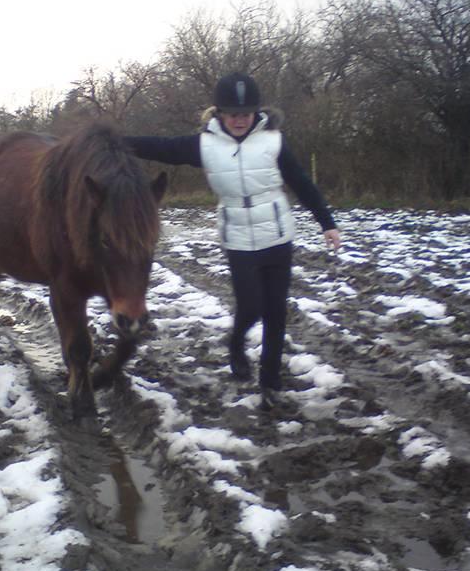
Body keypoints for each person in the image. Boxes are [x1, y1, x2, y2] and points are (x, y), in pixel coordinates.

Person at [126, 71, 341, 410]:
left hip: (277, 233)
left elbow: (300, 182)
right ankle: (237, 344)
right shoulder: (205, 144)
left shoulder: (273, 141)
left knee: (275, 312)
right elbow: (161, 147)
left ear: (256, 112)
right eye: (232, 113)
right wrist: (113, 141)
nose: (240, 119)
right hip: (238, 238)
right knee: (251, 305)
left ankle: (270, 381)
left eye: (246, 113)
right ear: (219, 113)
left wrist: (326, 223)